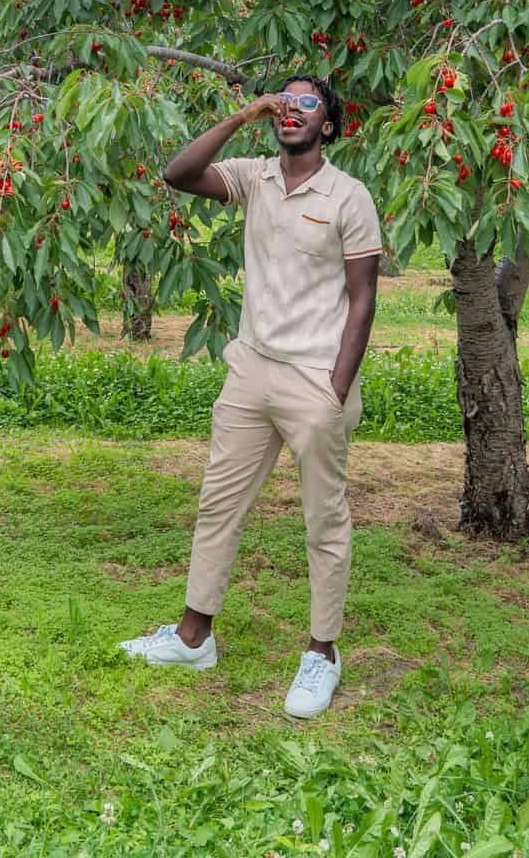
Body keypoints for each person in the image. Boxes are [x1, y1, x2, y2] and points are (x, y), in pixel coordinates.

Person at [120, 74, 383, 718]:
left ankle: (321, 654)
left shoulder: (349, 196)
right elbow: (179, 173)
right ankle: (193, 637)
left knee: (324, 522)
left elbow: (363, 300)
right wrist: (244, 113)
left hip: (314, 382)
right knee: (218, 505)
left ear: (328, 125)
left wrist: (335, 388)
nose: (292, 111)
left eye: (307, 104)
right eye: (284, 102)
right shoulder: (255, 175)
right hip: (250, 372)